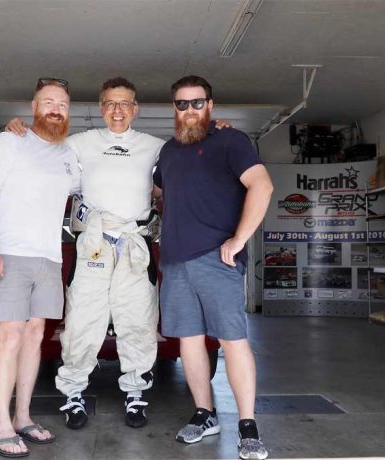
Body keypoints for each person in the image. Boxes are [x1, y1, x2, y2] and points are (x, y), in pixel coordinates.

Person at [6, 77, 164, 429]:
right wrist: (18, 129)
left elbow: (190, 153)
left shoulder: (155, 146)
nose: (118, 111)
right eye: (110, 103)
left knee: (138, 320)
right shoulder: (79, 143)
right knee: (82, 319)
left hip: (135, 246)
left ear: (135, 109)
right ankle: (73, 393)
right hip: (93, 243)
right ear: (101, 108)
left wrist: (220, 129)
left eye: (125, 104)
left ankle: (136, 393)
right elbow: (40, 150)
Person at [153, 75, 274, 460]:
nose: (190, 110)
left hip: (216, 259)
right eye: (182, 104)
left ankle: (247, 425)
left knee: (232, 339)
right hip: (174, 261)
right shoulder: (168, 152)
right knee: (188, 340)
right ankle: (205, 414)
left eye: (197, 102)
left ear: (211, 105)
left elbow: (263, 186)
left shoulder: (230, 141)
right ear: (174, 109)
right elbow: (161, 193)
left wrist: (239, 240)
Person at [0, 77, 81, 458]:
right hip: (10, 254)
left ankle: (23, 416)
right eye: (48, 102)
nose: (56, 108)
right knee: (10, 337)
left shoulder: (69, 154)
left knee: (36, 336)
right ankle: (1, 424)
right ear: (34, 107)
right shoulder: (11, 141)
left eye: (63, 104)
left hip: (50, 258)